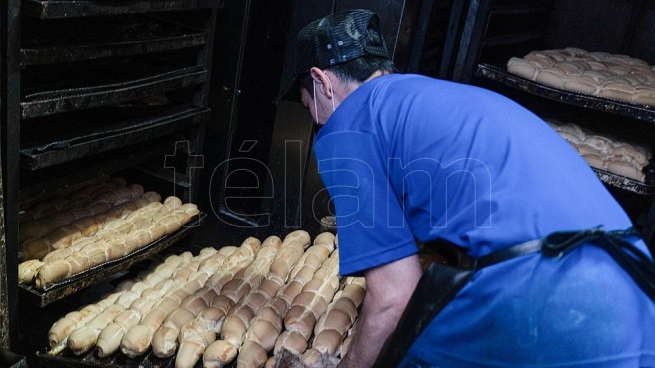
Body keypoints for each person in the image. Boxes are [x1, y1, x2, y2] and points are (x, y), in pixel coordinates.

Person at [278, 8, 655, 368]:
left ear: (322, 82)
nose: (317, 121)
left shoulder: (347, 126)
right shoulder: (430, 96)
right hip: (632, 284)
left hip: (549, 298)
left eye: (308, 103)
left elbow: (395, 298)